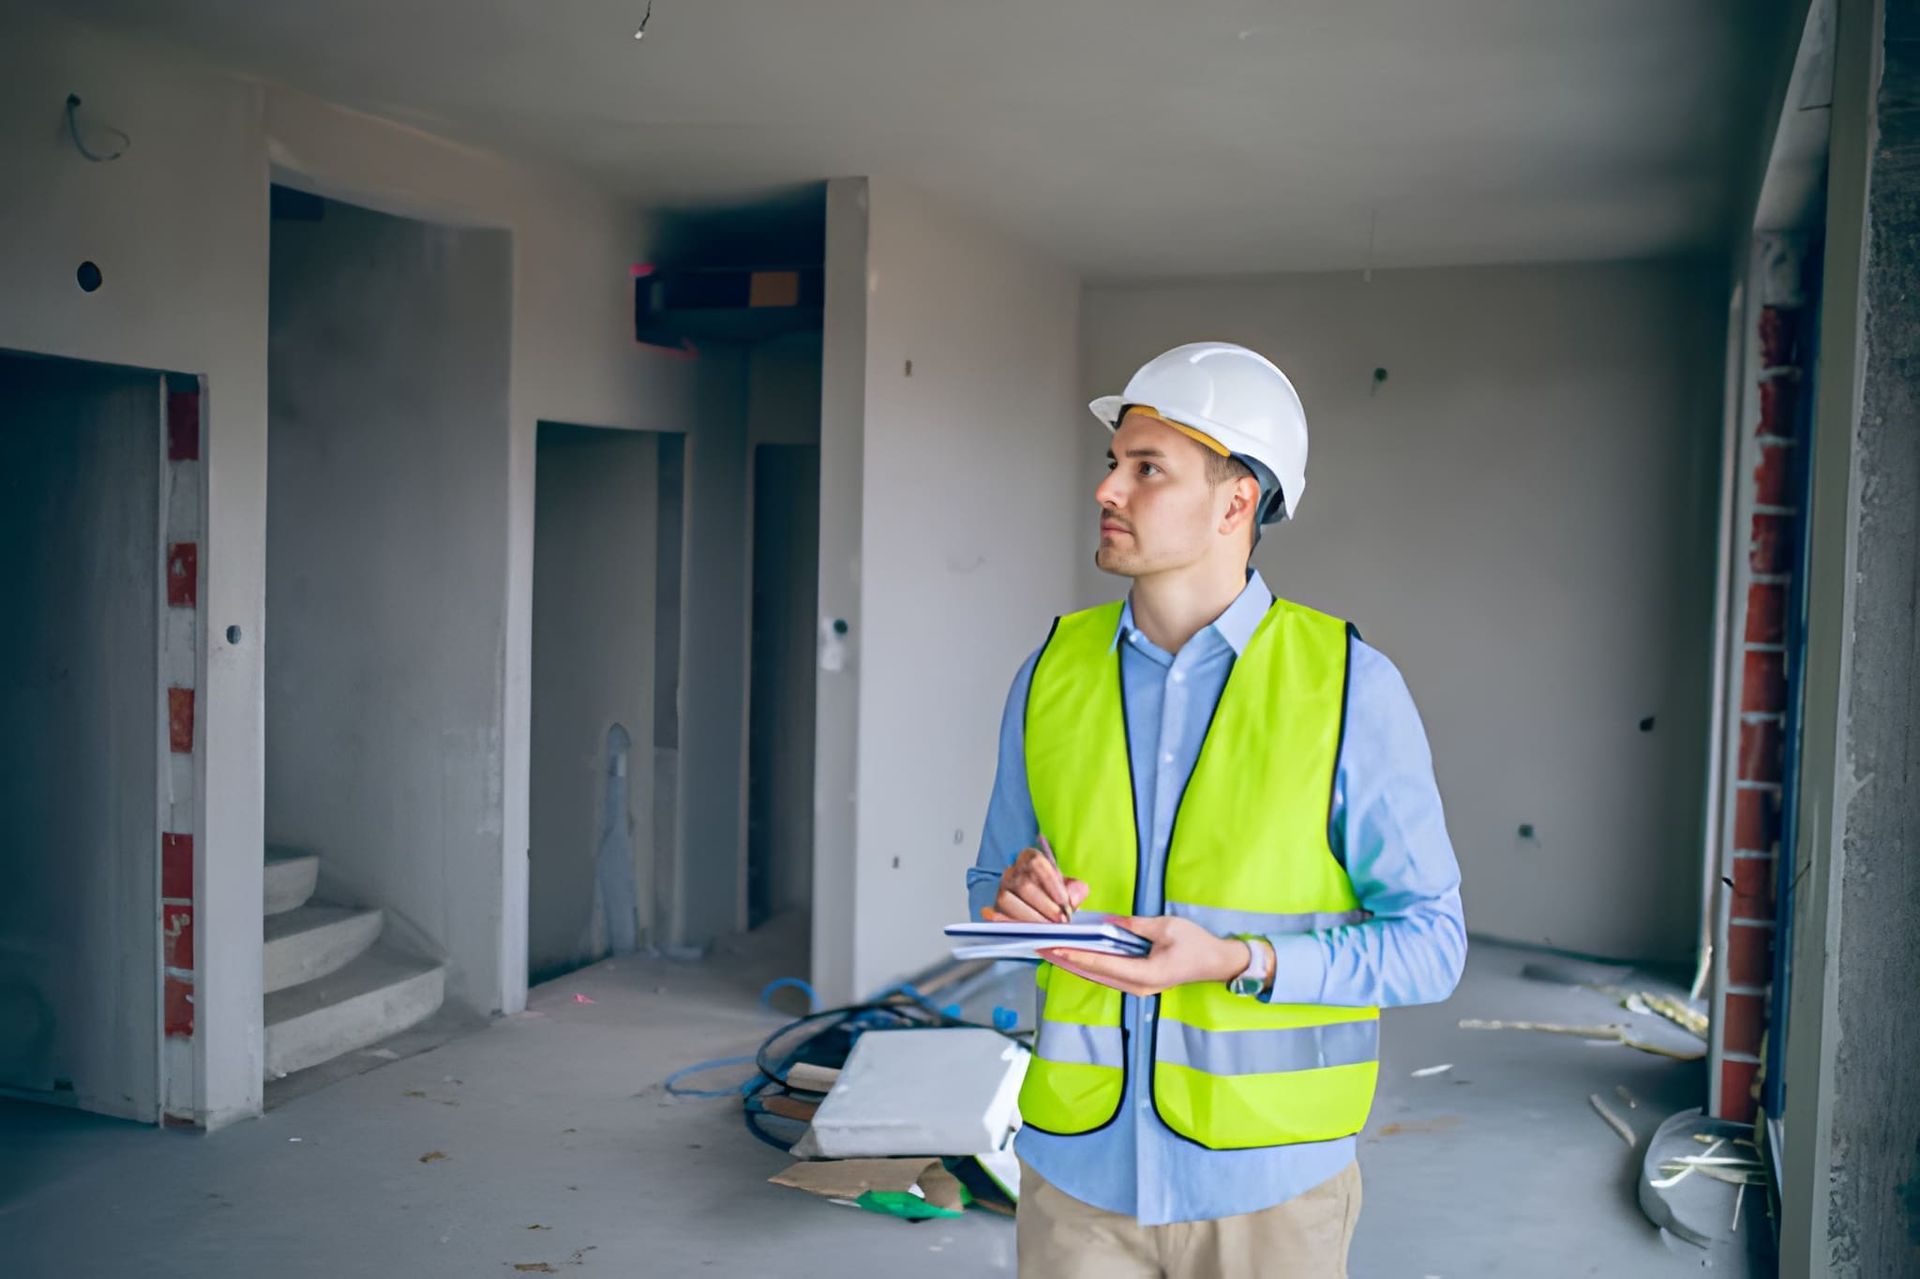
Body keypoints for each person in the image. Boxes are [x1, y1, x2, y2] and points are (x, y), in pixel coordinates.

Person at [967, 342, 1468, 1277]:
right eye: (1113, 463)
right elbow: (992, 887)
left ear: (1237, 500)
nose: (1107, 489)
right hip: (1078, 1179)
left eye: (1145, 468)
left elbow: (1432, 944)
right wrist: (1015, 898)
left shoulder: (1349, 686)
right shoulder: (1050, 672)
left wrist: (1242, 961)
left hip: (1270, 1193)